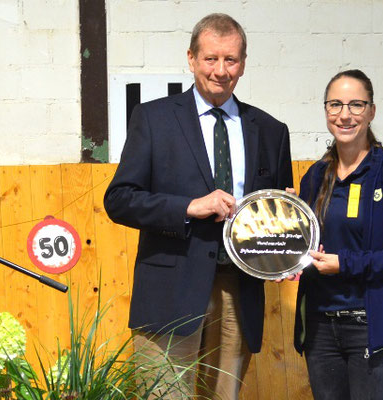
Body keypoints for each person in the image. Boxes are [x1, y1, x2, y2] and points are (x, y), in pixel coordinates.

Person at [104, 13, 293, 400]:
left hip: (238, 293)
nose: (220, 71)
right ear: (191, 59)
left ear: (243, 63)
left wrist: (285, 245)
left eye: (231, 60)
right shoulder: (153, 118)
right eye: (210, 59)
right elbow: (120, 199)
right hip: (170, 289)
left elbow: (275, 213)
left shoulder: (272, 130)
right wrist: (188, 206)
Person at [293, 69, 383, 400]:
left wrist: (347, 264)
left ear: (371, 111)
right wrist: (285, 258)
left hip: (374, 329)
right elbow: (306, 246)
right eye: (335, 105)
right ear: (325, 111)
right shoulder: (315, 177)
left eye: (356, 105)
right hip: (321, 331)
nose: (345, 115)